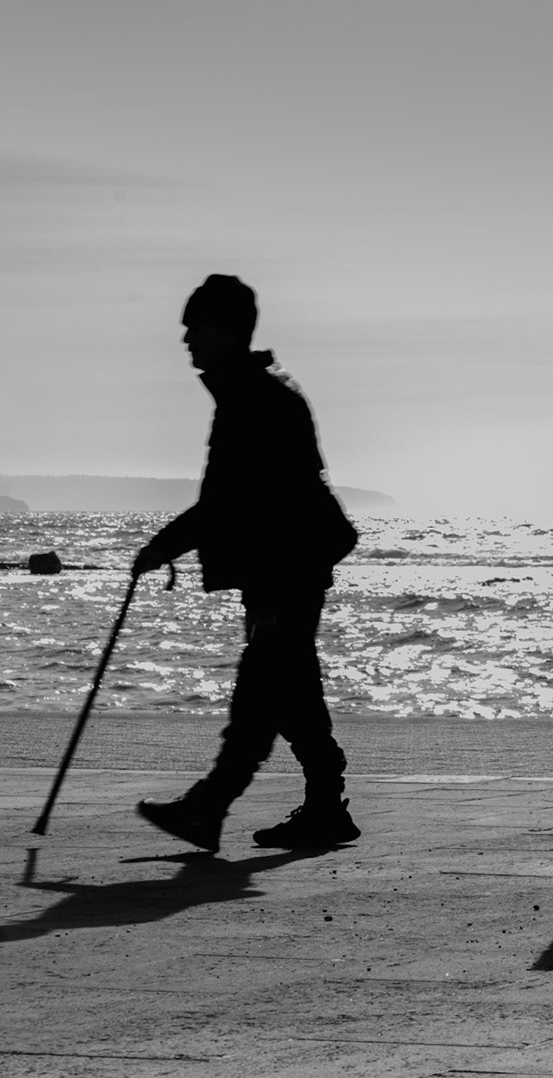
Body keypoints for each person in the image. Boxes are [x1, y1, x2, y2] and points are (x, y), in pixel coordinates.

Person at [133, 275, 361, 851]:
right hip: (289, 566)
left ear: (227, 331)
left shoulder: (256, 399)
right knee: (289, 691)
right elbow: (237, 502)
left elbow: (237, 503)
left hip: (286, 569)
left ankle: (209, 808)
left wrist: (166, 546)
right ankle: (323, 807)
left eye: (196, 326)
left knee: (262, 694)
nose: (186, 339)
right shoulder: (252, 393)